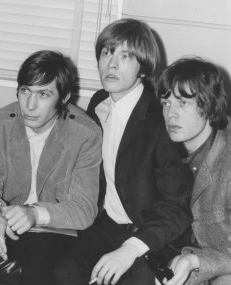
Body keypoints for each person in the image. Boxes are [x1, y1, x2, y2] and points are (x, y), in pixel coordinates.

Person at [54, 18, 193, 285]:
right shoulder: (98, 103)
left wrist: (131, 248)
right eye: (107, 52)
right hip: (105, 225)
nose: (112, 64)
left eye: (126, 56)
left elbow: (177, 206)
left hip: (152, 235)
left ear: (143, 67)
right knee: (64, 272)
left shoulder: (160, 118)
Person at [0, 50, 102, 285]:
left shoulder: (85, 134)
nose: (29, 104)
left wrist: (34, 213)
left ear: (64, 97)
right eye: (25, 90)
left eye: (44, 94)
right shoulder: (0, 123)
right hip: (2, 217)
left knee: (40, 267)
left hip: (51, 227)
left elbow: (84, 209)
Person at [158, 57, 231, 285]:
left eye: (182, 103)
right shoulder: (167, 150)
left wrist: (194, 261)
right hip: (188, 255)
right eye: (166, 102)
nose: (171, 114)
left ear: (208, 105)